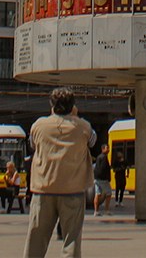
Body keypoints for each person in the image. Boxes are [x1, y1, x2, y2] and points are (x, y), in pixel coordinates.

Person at [24, 87, 96, 258]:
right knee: (71, 241)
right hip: (72, 190)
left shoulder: (39, 125)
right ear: (73, 106)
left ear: (52, 105)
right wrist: (75, 117)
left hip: (43, 189)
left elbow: (32, 145)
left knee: (36, 239)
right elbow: (93, 142)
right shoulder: (83, 126)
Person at [91, 145, 112, 215]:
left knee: (98, 194)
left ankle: (96, 211)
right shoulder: (104, 157)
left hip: (96, 178)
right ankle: (107, 210)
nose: (108, 149)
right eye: (107, 148)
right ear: (103, 149)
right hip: (103, 179)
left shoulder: (99, 157)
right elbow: (103, 169)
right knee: (109, 193)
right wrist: (108, 178)